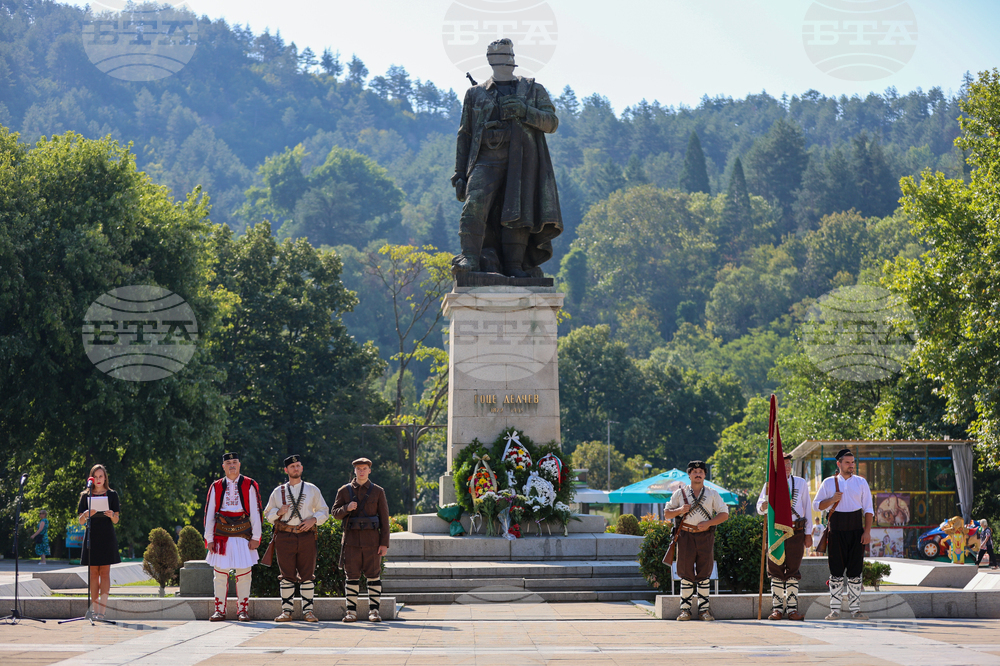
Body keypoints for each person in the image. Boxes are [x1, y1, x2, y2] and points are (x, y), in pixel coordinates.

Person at [451, 38, 563, 278]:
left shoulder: (532, 89)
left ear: (513, 60)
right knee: (475, 203)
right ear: (490, 60)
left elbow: (551, 123)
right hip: (486, 158)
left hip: (522, 159)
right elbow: (465, 135)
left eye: (507, 56)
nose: (505, 62)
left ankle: (514, 264)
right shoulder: (475, 93)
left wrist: (525, 112)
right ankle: (469, 258)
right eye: (499, 57)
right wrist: (460, 173)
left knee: (518, 210)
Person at [264, 454, 330, 622]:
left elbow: (324, 510)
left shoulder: (311, 489)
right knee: (286, 575)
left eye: (298, 466)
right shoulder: (278, 492)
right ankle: (287, 612)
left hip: (306, 535)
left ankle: (308, 612)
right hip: (284, 536)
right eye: (292, 467)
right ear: (286, 470)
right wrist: (278, 512)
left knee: (308, 574)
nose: (295, 468)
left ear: (302, 468)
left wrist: (314, 520)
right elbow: (267, 514)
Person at [663, 461, 730, 621]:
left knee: (704, 572)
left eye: (701, 471)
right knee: (685, 573)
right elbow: (666, 514)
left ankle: (704, 610)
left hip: (705, 536)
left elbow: (724, 514)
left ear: (705, 475)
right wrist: (679, 510)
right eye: (694, 471)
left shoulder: (713, 493)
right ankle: (685, 610)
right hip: (685, 536)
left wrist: (708, 523)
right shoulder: (679, 494)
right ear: (689, 474)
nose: (698, 474)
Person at [813, 448, 874, 621]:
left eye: (853, 462)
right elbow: (816, 506)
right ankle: (835, 611)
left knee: (856, 571)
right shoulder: (828, 482)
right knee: (836, 571)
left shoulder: (861, 482)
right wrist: (832, 499)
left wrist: (867, 531)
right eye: (847, 462)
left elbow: (868, 509)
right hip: (836, 531)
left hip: (856, 531)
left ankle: (855, 611)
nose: (851, 465)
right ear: (838, 464)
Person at [203, 452, 262, 622]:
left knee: (244, 574)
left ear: (239, 464)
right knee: (220, 574)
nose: (232, 465)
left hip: (243, 533)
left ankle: (242, 610)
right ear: (223, 466)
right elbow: (210, 513)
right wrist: (210, 538)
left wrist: (256, 537)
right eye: (228, 463)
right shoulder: (216, 486)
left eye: (234, 462)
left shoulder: (250, 484)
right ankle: (219, 610)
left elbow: (255, 512)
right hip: (222, 534)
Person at [331, 458, 390, 623]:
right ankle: (351, 612)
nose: (362, 471)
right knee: (351, 577)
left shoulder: (378, 491)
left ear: (369, 470)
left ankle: (374, 611)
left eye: (364, 468)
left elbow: (384, 520)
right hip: (351, 541)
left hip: (372, 541)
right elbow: (335, 513)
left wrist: (384, 543)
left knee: (373, 576)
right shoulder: (344, 491)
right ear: (354, 471)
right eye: (359, 469)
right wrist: (346, 508)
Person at [756, 452, 813, 620]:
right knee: (775, 569)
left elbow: (807, 508)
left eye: (789, 464)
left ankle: (793, 610)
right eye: (783, 464)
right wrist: (764, 505)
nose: (787, 467)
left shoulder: (801, 483)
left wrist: (808, 534)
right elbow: (760, 508)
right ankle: (777, 609)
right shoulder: (769, 485)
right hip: (776, 533)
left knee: (793, 570)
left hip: (796, 531)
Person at [76, 464, 120, 620]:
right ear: (91, 478)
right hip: (92, 536)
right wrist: (87, 514)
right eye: (96, 476)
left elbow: (116, 519)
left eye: (101, 476)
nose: (99, 479)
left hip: (107, 536)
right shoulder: (85, 495)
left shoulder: (112, 494)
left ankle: (102, 610)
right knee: (93, 574)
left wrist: (111, 514)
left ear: (105, 478)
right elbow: (80, 521)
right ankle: (94, 610)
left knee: (105, 573)